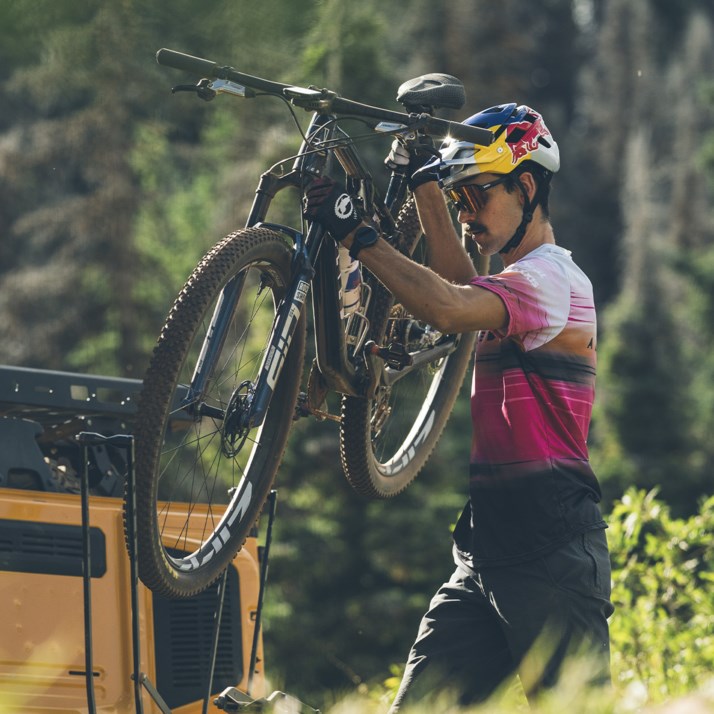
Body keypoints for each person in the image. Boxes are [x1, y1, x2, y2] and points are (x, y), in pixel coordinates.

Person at [303, 103, 614, 710]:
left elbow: (447, 308)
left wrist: (358, 236)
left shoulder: (552, 280)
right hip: (484, 556)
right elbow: (459, 287)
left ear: (526, 187)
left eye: (477, 196)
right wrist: (424, 183)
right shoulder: (508, 287)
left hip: (552, 552)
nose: (467, 214)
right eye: (458, 200)